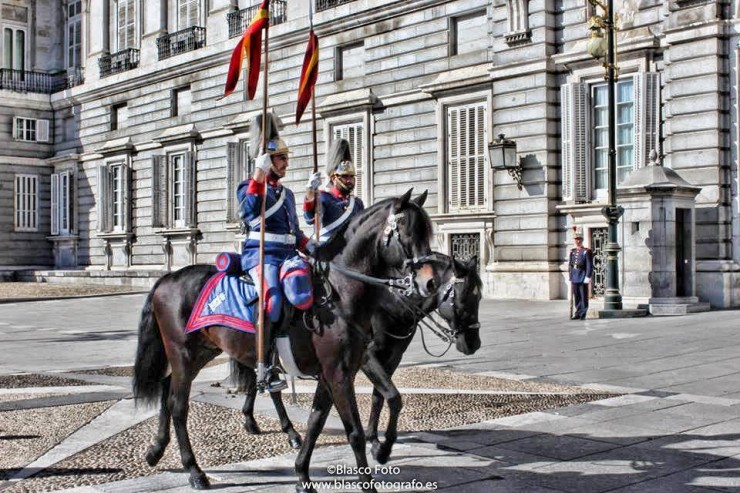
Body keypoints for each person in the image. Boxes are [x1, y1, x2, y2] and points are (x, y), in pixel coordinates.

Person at [236, 120, 313, 391]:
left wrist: (313, 248)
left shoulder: (288, 194)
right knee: (274, 301)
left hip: (289, 255)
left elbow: (294, 232)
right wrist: (259, 172)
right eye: (281, 159)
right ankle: (265, 367)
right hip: (261, 256)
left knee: (307, 291)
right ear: (269, 160)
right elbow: (248, 212)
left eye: (285, 159)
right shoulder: (249, 185)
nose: (286, 164)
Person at [303, 138, 365, 244]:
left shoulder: (357, 203)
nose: (349, 180)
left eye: (351, 176)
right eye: (345, 176)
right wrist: (310, 191)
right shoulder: (323, 197)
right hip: (327, 251)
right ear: (333, 178)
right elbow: (310, 219)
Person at [568, 228, 593, 320]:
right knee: (577, 296)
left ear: (582, 240)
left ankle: (583, 313)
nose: (577, 241)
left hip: (582, 276)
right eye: (576, 239)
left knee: (583, 296)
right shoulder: (572, 251)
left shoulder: (586, 251)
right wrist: (570, 275)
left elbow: (589, 265)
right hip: (574, 276)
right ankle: (578, 312)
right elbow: (570, 264)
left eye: (579, 239)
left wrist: (588, 276)